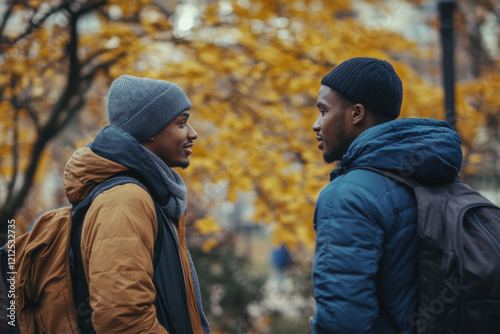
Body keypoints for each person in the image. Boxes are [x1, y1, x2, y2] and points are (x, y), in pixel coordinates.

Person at [310, 57, 462, 333]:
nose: (316, 125)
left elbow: (342, 323)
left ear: (356, 113)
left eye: (323, 111)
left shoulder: (348, 196)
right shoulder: (436, 177)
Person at [64, 75, 210, 333]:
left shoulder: (151, 195)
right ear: (150, 130)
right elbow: (122, 320)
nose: (193, 133)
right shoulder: (125, 200)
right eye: (182, 123)